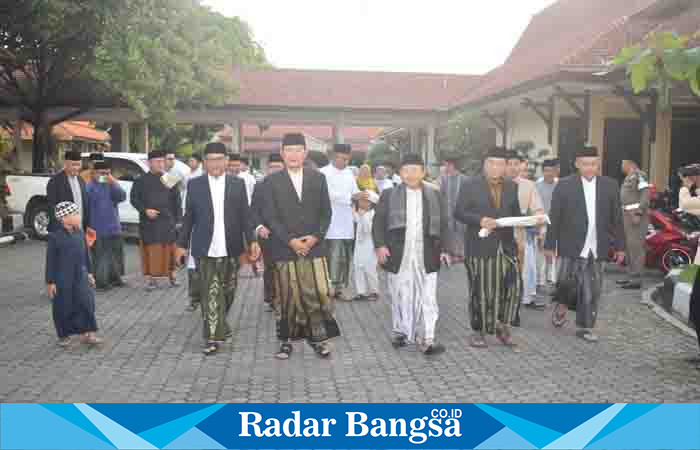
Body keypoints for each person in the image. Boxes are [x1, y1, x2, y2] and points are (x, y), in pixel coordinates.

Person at [259, 133, 339, 360]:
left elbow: (326, 213)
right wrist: (291, 241)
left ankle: (319, 339)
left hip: (314, 247)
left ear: (305, 153)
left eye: (298, 150)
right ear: (283, 154)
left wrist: (315, 237)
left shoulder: (318, 178)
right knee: (287, 296)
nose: (293, 155)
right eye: (289, 150)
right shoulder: (271, 182)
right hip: (285, 248)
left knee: (319, 293)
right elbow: (270, 216)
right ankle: (285, 341)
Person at [176, 142, 259, 354]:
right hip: (205, 247)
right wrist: (181, 245)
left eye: (219, 159)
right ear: (204, 162)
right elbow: (188, 219)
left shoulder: (237, 184)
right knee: (210, 293)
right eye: (210, 160)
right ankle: (212, 337)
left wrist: (252, 241)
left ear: (226, 161)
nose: (214, 164)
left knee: (228, 292)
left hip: (231, 247)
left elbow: (245, 217)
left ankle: (220, 324)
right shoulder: (195, 185)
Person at [545, 146, 625, 342]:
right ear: (577, 164)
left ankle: (585, 326)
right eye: (586, 164)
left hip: (598, 245)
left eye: (594, 164)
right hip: (571, 243)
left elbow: (617, 218)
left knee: (592, 287)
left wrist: (621, 247)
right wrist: (549, 245)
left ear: (598, 164)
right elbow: (554, 217)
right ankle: (562, 304)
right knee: (566, 282)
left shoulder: (610, 185)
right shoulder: (564, 185)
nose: (590, 168)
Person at [373, 153, 448, 355]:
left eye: (415, 170)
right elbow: (378, 222)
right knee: (399, 293)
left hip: (427, 252)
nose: (411, 174)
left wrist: (445, 250)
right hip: (398, 252)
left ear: (423, 172)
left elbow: (444, 224)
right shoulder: (389, 195)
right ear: (400, 173)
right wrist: (380, 246)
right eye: (406, 170)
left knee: (428, 296)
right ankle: (401, 332)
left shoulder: (435, 194)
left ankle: (427, 338)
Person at [455, 147, 524, 348]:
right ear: (485, 164)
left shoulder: (512, 186)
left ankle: (503, 326)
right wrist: (480, 219)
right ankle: (479, 331)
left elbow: (515, 213)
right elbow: (459, 212)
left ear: (506, 166)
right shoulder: (470, 185)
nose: (496, 167)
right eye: (492, 163)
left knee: (513, 288)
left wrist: (529, 220)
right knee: (482, 291)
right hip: (480, 247)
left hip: (506, 246)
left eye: (500, 164)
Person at [45, 201, 102, 347]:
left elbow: (86, 254)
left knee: (86, 302)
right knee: (63, 305)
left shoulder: (80, 233)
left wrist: (90, 273)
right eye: (74, 214)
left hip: (81, 274)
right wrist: (50, 282)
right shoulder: (55, 237)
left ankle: (88, 333)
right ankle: (64, 335)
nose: (78, 216)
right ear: (64, 218)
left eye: (77, 213)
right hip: (62, 277)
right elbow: (50, 261)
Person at [130, 150, 182, 290]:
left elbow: (177, 201)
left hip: (168, 222)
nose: (161, 164)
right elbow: (134, 199)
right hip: (149, 223)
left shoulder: (169, 178)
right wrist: (145, 210)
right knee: (152, 251)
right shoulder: (140, 180)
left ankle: (173, 276)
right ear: (149, 163)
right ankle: (152, 279)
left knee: (170, 251)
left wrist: (179, 220)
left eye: (162, 161)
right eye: (157, 161)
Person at [320, 143, 364, 301]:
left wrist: (363, 195)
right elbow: (328, 194)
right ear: (333, 156)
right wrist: (350, 198)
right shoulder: (323, 173)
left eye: (347, 159)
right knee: (334, 255)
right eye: (342, 159)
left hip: (347, 221)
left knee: (345, 257)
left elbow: (354, 192)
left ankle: (341, 288)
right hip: (331, 223)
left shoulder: (349, 174)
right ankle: (329, 287)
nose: (345, 162)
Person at [506, 151, 545, 312]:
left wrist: (540, 225)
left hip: (522, 233)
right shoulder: (496, 183)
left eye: (517, 164)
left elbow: (538, 208)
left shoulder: (529, 185)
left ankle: (526, 298)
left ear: (521, 165)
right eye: (510, 164)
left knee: (527, 268)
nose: (513, 168)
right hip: (501, 234)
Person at [250, 153, 285, 312]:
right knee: (270, 267)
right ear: (267, 168)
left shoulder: (291, 184)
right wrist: (259, 227)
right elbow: (254, 211)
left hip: (287, 235)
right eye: (272, 167)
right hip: (267, 234)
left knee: (285, 267)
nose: (275, 170)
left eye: (278, 167)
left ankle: (286, 298)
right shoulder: (260, 185)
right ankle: (271, 299)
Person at [86, 160, 127, 291]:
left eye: (108, 173)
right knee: (100, 257)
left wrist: (114, 182)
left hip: (113, 227)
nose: (105, 176)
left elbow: (122, 196)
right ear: (94, 173)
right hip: (97, 228)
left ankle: (115, 279)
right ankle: (101, 282)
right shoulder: (89, 187)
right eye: (102, 173)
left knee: (115, 255)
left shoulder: (111, 185)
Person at [617, 158, 650, 290]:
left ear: (630, 164)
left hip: (636, 216)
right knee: (629, 247)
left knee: (636, 247)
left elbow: (645, 194)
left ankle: (636, 279)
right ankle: (630, 275)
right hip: (627, 216)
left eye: (622, 164)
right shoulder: (629, 177)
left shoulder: (640, 175)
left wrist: (639, 212)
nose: (621, 167)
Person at [679, 166, 700, 366]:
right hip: (697, 261)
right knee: (694, 305)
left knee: (696, 305)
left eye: (692, 177)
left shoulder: (692, 194)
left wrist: (685, 188)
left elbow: (685, 205)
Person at [47, 150, 90, 232]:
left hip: (80, 230)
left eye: (78, 165)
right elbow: (52, 207)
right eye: (73, 165)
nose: (76, 168)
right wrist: (64, 225)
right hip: (63, 230)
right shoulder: (55, 181)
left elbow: (85, 205)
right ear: (66, 163)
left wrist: (87, 226)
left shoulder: (81, 180)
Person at [352, 190, 379, 301]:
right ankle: (360, 292)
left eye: (365, 201)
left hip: (370, 245)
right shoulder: (360, 213)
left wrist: (362, 217)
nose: (362, 203)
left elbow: (368, 230)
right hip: (359, 245)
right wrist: (354, 205)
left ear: (371, 203)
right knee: (358, 267)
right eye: (361, 201)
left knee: (370, 269)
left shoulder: (373, 214)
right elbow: (354, 217)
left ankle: (374, 291)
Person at [535, 159, 559, 288]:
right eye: (546, 171)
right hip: (542, 221)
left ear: (555, 171)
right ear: (542, 171)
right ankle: (541, 277)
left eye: (551, 170)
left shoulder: (560, 185)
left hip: (555, 222)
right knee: (541, 249)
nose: (549, 173)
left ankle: (552, 275)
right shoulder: (537, 186)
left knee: (553, 249)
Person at [439, 156, 467, 263]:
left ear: (452, 165)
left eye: (446, 165)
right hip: (448, 211)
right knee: (449, 231)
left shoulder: (464, 179)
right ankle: (451, 254)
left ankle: (461, 254)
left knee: (461, 231)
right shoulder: (444, 179)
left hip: (461, 211)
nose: (445, 167)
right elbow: (441, 195)